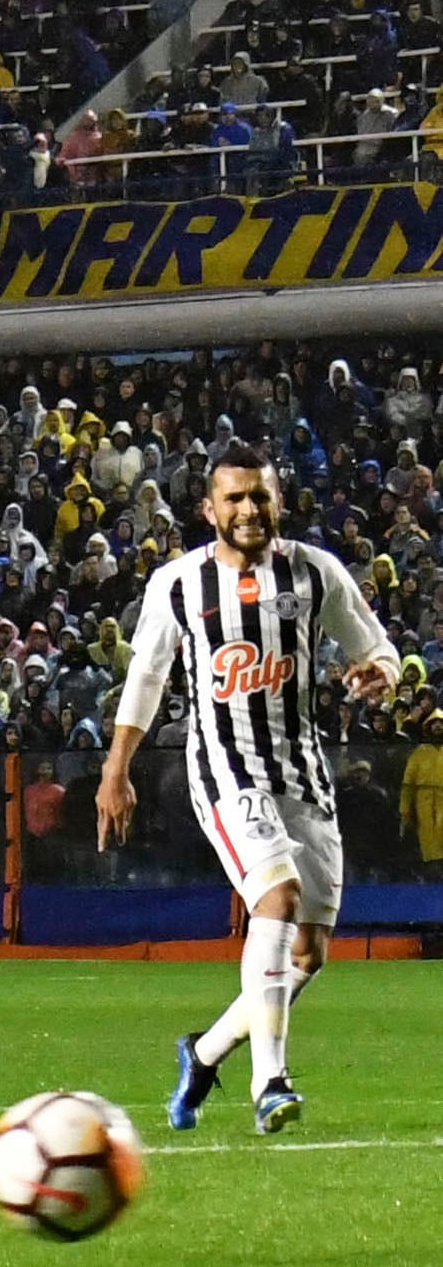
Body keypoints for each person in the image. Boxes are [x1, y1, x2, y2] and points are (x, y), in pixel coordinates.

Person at [102, 444, 398, 1136]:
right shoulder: (177, 584)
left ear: (277, 501)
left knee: (306, 952)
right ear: (207, 509)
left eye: (257, 496)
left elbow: (373, 642)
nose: (245, 509)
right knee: (276, 897)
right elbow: (145, 677)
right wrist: (116, 769)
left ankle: (202, 1054)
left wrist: (381, 669)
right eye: (232, 498)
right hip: (224, 768)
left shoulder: (312, 571)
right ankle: (269, 1080)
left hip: (300, 771)